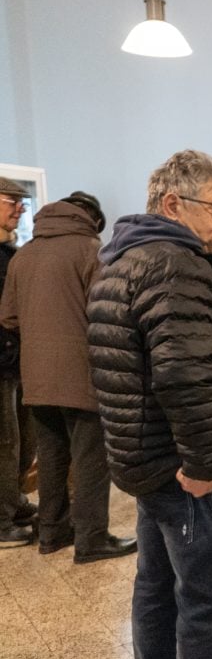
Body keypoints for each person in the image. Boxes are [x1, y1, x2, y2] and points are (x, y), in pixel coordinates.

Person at [86, 150, 212, 659]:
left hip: (154, 463)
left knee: (159, 592)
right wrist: (205, 464)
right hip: (191, 475)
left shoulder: (127, 260)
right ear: (172, 203)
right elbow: (184, 376)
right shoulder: (174, 265)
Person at [0, 192, 137, 563]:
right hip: (82, 372)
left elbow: (9, 318)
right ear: (90, 219)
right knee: (91, 458)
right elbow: (107, 310)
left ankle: (51, 533)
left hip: (36, 376)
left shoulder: (23, 255)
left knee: (51, 455)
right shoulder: (91, 249)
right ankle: (92, 539)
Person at [0, 177, 35, 547]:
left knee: (24, 441)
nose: (20, 209)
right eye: (12, 201)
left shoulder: (12, 254)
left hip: (16, 362)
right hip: (3, 364)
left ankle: (14, 502)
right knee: (4, 443)